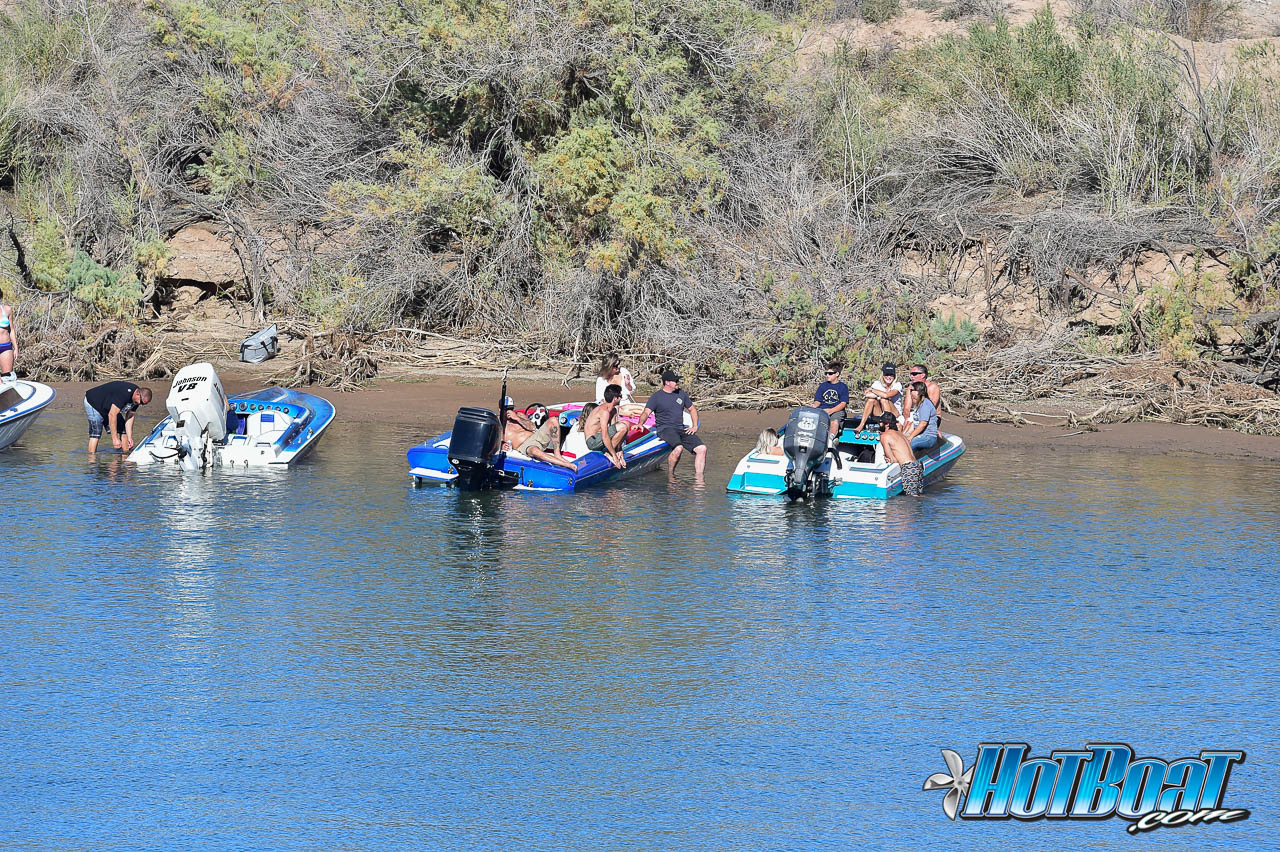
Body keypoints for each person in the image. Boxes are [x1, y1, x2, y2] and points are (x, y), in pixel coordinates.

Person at [638, 369, 706, 477]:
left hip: (680, 428)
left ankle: (699, 479)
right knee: (678, 448)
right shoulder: (656, 397)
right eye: (675, 381)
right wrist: (640, 424)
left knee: (702, 449)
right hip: (665, 429)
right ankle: (671, 475)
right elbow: (646, 412)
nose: (678, 382)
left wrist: (694, 426)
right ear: (667, 382)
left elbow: (692, 409)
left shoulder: (681, 394)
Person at [500, 399, 578, 470]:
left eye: (511, 408)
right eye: (506, 409)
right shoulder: (498, 424)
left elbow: (532, 427)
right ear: (500, 409)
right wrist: (502, 445)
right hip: (524, 446)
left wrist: (517, 418)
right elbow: (494, 440)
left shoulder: (519, 415)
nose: (509, 411)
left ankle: (557, 454)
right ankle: (566, 464)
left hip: (535, 436)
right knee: (534, 451)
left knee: (553, 420)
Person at [85, 381, 153, 453]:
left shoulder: (137, 400)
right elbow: (112, 415)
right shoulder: (124, 394)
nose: (140, 404)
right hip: (94, 402)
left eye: (143, 404)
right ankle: (92, 457)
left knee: (123, 430)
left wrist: (129, 437)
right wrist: (115, 439)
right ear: (137, 394)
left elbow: (130, 416)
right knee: (96, 433)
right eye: (141, 402)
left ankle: (125, 455)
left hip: (110, 406)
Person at [876, 412, 923, 496]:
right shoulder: (900, 434)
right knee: (917, 497)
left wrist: (886, 458)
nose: (879, 424)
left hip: (908, 468)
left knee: (911, 498)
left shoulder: (884, 436)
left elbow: (892, 459)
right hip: (916, 466)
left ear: (886, 424)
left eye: (880, 422)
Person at [583, 384, 629, 469]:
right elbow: (605, 435)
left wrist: (619, 450)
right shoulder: (604, 411)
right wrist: (614, 456)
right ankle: (608, 453)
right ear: (615, 398)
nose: (621, 398)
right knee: (622, 427)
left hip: (601, 438)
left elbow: (616, 434)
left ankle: (614, 452)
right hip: (592, 441)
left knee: (626, 424)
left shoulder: (613, 410)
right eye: (620, 396)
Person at [852, 363, 903, 432]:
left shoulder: (897, 385)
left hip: (894, 414)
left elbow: (886, 395)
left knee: (884, 399)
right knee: (871, 400)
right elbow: (867, 394)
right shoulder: (877, 384)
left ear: (894, 376)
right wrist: (880, 394)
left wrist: (873, 390)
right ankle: (861, 425)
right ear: (883, 375)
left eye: (891, 375)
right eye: (886, 374)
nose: (889, 377)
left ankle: (888, 424)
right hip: (880, 413)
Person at [812, 362, 849, 436]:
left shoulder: (843, 387)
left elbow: (843, 404)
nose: (827, 375)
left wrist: (831, 411)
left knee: (834, 421)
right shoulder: (822, 386)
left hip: (837, 410)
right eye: (826, 373)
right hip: (823, 409)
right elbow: (818, 401)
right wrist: (814, 406)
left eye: (830, 373)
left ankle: (830, 439)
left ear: (837, 374)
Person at [904, 380, 940, 453]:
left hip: (928, 437)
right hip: (921, 434)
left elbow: (923, 424)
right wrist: (904, 435)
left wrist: (911, 437)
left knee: (909, 444)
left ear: (919, 392)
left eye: (912, 390)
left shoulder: (925, 405)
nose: (910, 392)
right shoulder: (918, 404)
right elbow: (915, 423)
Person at [0, 303, 16, 382]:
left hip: (5, 347)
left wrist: (16, 347)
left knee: (7, 377)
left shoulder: (7, 309)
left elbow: (12, 330)